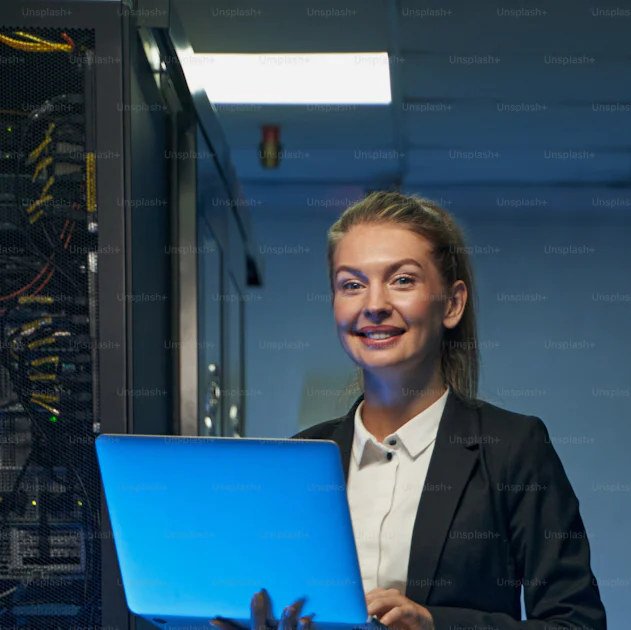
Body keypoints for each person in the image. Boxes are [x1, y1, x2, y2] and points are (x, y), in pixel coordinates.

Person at [211, 192, 606, 630]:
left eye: (401, 280)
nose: (374, 304)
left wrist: (435, 625)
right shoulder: (300, 458)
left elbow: (577, 623)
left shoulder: (513, 448)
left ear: (452, 304)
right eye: (352, 284)